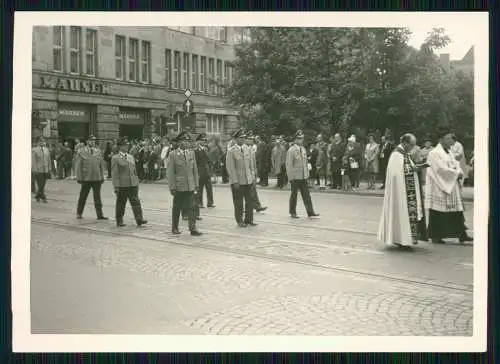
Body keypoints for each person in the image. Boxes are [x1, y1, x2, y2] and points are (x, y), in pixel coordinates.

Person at [377, 134, 428, 248]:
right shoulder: (396, 154)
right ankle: (400, 239)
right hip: (400, 192)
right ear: (405, 143)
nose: (413, 147)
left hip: (406, 191)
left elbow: (408, 167)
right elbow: (395, 174)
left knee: (405, 216)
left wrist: (415, 168)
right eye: (411, 145)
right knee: (400, 215)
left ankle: (403, 239)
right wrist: (412, 169)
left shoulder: (405, 154)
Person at [425, 128, 473, 244]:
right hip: (439, 186)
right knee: (438, 211)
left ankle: (461, 234)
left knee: (456, 210)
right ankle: (436, 235)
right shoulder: (434, 153)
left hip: (451, 183)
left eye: (451, 138)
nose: (450, 140)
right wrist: (456, 174)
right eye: (448, 138)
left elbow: (455, 164)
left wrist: (459, 171)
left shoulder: (449, 151)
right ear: (440, 140)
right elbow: (440, 169)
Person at [167, 131, 203, 236]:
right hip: (179, 186)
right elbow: (170, 173)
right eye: (184, 141)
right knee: (177, 207)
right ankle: (175, 227)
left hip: (190, 185)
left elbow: (195, 170)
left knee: (192, 207)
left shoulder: (191, 153)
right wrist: (172, 187)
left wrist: (196, 184)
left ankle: (193, 228)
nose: (186, 143)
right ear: (178, 143)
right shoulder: (173, 154)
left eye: (187, 141)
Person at [111, 137, 148, 228]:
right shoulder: (115, 158)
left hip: (133, 184)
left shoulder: (130, 157)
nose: (127, 147)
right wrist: (116, 186)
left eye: (127, 145)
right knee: (121, 203)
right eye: (124, 145)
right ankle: (119, 220)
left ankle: (139, 219)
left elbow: (134, 171)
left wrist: (136, 182)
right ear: (120, 147)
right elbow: (115, 174)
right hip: (122, 185)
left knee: (136, 202)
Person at [286, 130, 320, 219]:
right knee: (294, 195)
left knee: (306, 195)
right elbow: (289, 165)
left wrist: (307, 174)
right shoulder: (291, 150)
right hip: (295, 177)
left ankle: (310, 211)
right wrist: (290, 178)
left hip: (303, 176)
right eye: (299, 139)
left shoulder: (303, 149)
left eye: (302, 139)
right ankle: (292, 211)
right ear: (295, 140)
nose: (301, 140)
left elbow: (305, 162)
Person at [226, 128, 256, 227]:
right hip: (238, 181)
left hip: (248, 180)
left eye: (244, 137)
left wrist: (253, 178)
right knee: (238, 202)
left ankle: (249, 219)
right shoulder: (231, 151)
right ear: (235, 139)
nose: (243, 139)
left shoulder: (248, 149)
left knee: (250, 201)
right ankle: (239, 220)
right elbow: (231, 168)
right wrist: (235, 181)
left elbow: (251, 165)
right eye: (240, 138)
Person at [75, 135, 108, 220]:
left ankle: (100, 215)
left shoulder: (98, 151)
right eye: (91, 140)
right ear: (87, 141)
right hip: (86, 178)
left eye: (94, 140)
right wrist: (79, 177)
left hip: (97, 178)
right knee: (83, 196)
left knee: (97, 197)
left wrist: (102, 176)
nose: (93, 142)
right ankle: (79, 213)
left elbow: (101, 165)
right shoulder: (81, 151)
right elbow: (78, 166)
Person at [244, 131, 268, 213]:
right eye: (249, 138)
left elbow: (254, 162)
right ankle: (246, 208)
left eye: (252, 138)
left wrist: (255, 173)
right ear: (245, 139)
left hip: (251, 174)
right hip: (244, 175)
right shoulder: (242, 149)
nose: (251, 140)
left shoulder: (251, 149)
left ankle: (257, 206)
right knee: (245, 193)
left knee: (253, 191)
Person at [195, 133, 215, 208]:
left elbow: (209, 160)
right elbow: (196, 163)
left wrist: (210, 170)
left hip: (207, 172)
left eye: (204, 140)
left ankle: (210, 202)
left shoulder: (206, 149)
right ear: (198, 141)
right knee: (200, 188)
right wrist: (197, 173)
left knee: (209, 188)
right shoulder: (196, 150)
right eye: (202, 140)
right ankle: (199, 203)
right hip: (200, 172)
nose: (204, 141)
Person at [31, 136, 51, 203]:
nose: (42, 142)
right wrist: (34, 170)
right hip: (38, 170)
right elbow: (33, 161)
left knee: (43, 185)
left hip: (45, 170)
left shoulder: (46, 150)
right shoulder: (34, 150)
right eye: (40, 141)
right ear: (37, 142)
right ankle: (44, 197)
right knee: (40, 184)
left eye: (43, 141)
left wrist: (49, 169)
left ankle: (37, 196)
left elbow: (49, 160)